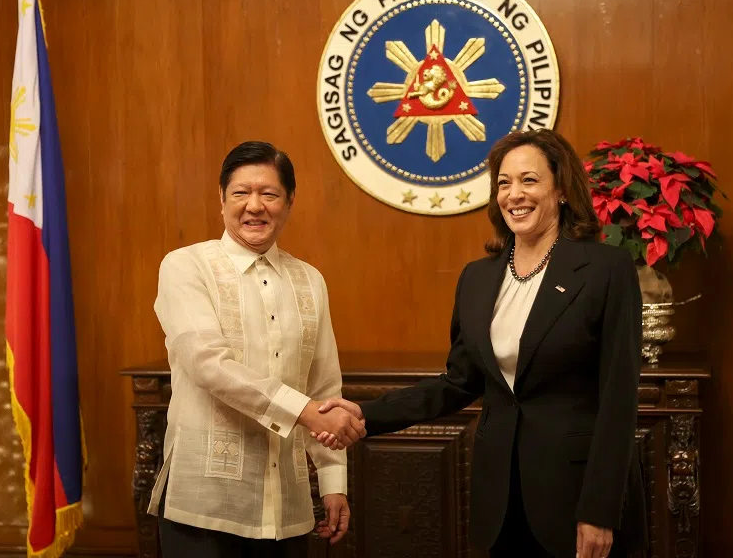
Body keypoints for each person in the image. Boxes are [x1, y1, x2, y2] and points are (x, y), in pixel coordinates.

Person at [313, 129, 647, 558]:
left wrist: (600, 510)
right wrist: (366, 413)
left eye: (529, 180)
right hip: (500, 499)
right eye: (504, 183)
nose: (514, 194)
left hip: (576, 496)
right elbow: (458, 382)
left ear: (562, 190)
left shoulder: (606, 269)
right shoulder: (478, 277)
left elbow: (619, 399)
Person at [148, 141, 365, 558]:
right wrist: (304, 411)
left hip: (287, 508)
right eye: (240, 193)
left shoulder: (310, 280)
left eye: (269, 194)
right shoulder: (186, 266)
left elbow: (323, 386)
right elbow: (208, 364)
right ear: (222, 199)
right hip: (205, 506)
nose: (254, 206)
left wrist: (333, 481)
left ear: (289, 201)